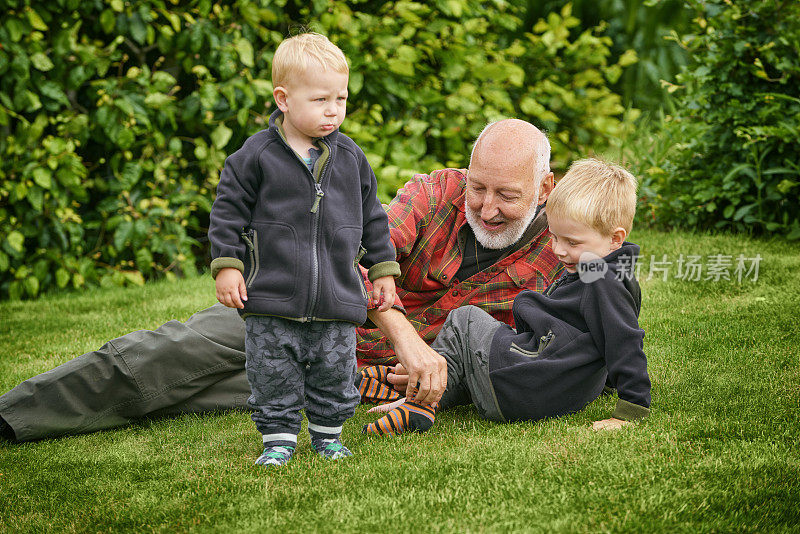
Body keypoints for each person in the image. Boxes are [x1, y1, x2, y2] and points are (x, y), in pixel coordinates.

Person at [0, 119, 562, 443]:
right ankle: (10, 417)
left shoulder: (557, 256)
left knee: (185, 397)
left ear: (543, 190)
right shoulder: (434, 194)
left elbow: (558, 342)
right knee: (160, 354)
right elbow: (348, 257)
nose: (484, 207)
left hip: (338, 375)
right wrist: (406, 338)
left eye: (505, 195)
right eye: (477, 187)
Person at [208, 33, 400, 466]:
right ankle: (278, 438)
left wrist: (383, 268)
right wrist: (228, 266)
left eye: (341, 98)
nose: (333, 110)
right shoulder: (255, 156)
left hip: (337, 294)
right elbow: (227, 213)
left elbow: (373, 216)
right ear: (284, 98)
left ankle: (328, 435)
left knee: (336, 369)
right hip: (273, 296)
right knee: (272, 370)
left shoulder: (351, 158)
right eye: (320, 100)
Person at [362, 158, 651, 436]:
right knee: (477, 346)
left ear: (615, 238)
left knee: (465, 320)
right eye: (554, 237)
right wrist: (605, 385)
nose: (559, 251)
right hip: (545, 392)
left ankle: (421, 401)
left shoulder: (602, 280)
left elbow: (623, 340)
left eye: (572, 242)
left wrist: (631, 409)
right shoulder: (612, 275)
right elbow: (607, 336)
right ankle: (405, 389)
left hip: (529, 387)